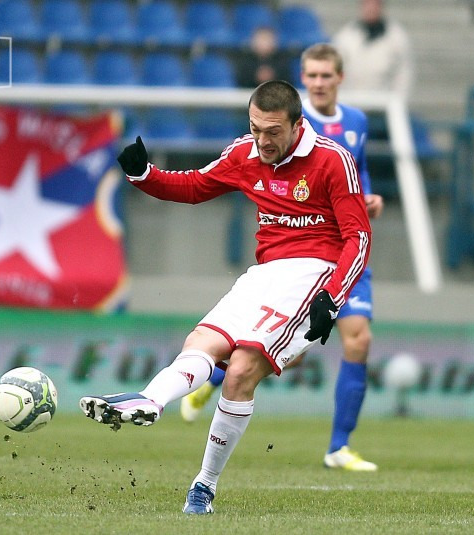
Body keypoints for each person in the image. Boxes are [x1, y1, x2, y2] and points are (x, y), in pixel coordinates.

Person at [79, 80, 372, 514]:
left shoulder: (332, 160)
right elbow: (195, 186)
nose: (262, 140)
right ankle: (150, 399)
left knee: (241, 369)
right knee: (202, 341)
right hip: (264, 274)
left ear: (298, 125)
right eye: (255, 128)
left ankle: (204, 485)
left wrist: (332, 295)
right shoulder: (244, 153)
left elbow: (358, 236)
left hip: (313, 274)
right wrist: (144, 175)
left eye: (273, 131)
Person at [181, 44, 383, 473]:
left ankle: (339, 446)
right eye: (312, 75)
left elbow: (358, 171)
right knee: (295, 353)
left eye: (326, 75)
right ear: (302, 80)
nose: (319, 83)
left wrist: (369, 198)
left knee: (358, 340)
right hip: (304, 257)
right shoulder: (286, 124)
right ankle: (217, 377)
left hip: (346, 250)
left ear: (340, 78)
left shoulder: (357, 122)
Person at [331, 0, 413, 99]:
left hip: (383, 102)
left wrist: (398, 99)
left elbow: (404, 72)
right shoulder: (346, 36)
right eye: (367, 4)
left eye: (375, 4)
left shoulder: (396, 36)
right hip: (352, 100)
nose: (371, 8)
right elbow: (335, 68)